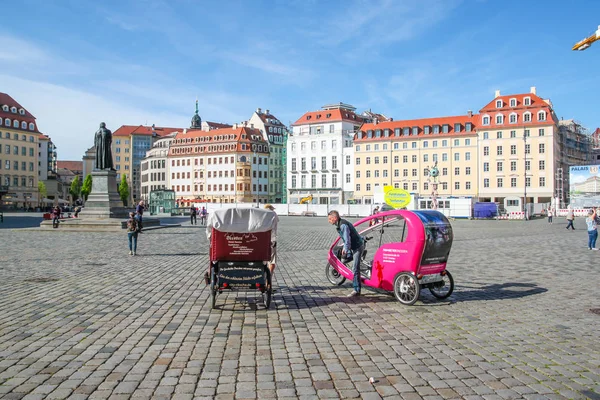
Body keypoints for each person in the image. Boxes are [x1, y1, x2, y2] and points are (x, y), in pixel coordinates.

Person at [328, 210, 365, 297]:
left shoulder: (343, 225)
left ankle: (357, 290)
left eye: (330, 219)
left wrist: (346, 248)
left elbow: (347, 238)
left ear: (335, 218)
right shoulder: (340, 224)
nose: (329, 221)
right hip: (353, 245)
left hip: (357, 246)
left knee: (355, 268)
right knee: (343, 256)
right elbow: (345, 239)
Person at [264, 204, 279, 290]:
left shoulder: (261, 215)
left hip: (261, 241)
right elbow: (277, 220)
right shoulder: (273, 214)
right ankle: (268, 282)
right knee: (272, 262)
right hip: (271, 240)